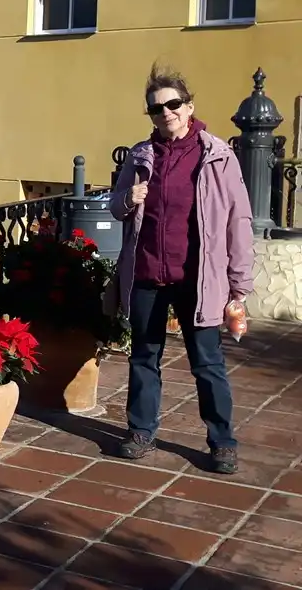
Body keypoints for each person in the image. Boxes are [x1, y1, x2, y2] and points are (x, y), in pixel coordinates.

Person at [108, 65, 254, 474]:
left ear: (189, 107)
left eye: (173, 104)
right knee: (143, 356)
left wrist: (239, 285)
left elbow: (238, 222)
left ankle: (222, 441)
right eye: (157, 109)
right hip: (147, 275)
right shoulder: (141, 156)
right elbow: (116, 207)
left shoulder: (217, 155)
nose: (166, 113)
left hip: (199, 279)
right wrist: (129, 198)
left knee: (206, 363)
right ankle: (141, 432)